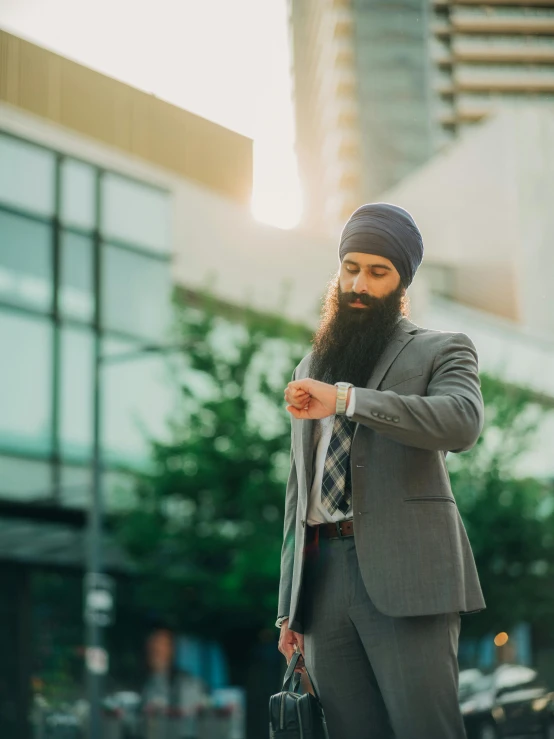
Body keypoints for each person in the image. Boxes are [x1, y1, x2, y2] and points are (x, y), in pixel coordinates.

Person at [276, 203, 485, 739]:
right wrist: (288, 610)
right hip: (321, 583)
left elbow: (461, 423)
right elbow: (299, 492)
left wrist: (347, 399)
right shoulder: (310, 368)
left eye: (377, 271)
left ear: (401, 282)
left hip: (408, 573)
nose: (359, 283)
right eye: (351, 267)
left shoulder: (443, 350)